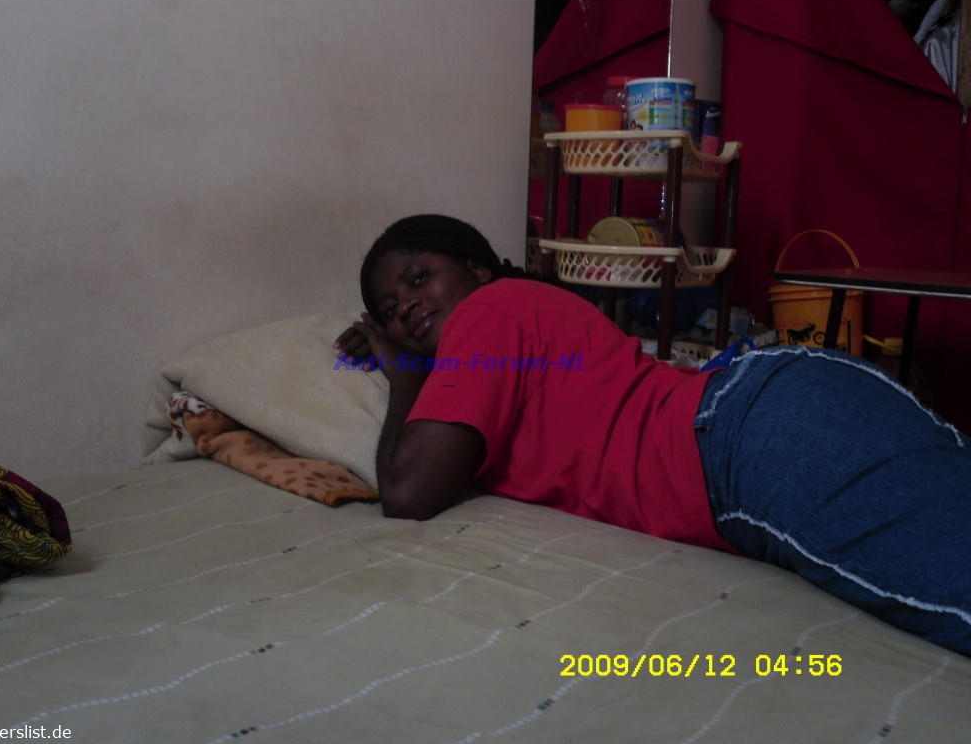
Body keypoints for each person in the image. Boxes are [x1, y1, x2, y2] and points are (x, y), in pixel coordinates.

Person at [334, 213, 971, 657]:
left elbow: (408, 491)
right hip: (771, 403)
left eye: (418, 278)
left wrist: (401, 371)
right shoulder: (511, 322)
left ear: (477, 270)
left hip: (745, 439)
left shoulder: (488, 311)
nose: (407, 306)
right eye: (390, 310)